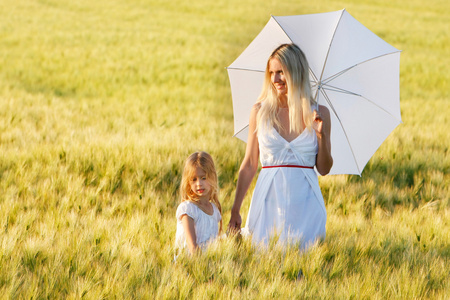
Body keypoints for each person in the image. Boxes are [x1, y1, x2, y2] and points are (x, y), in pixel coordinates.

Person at [228, 43, 333, 250]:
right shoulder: (259, 111)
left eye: (281, 73)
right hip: (268, 200)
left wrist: (321, 135)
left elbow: (324, 168)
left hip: (306, 203)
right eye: (272, 73)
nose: (275, 79)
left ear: (296, 72)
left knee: (305, 267)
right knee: (263, 260)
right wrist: (235, 209)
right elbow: (249, 163)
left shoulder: (320, 113)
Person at [175, 151, 222, 255]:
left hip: (209, 265)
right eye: (194, 179)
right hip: (189, 266)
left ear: (212, 177)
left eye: (203, 178)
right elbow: (192, 247)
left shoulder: (214, 210)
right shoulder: (188, 210)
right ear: (188, 182)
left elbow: (214, 244)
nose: (199, 184)